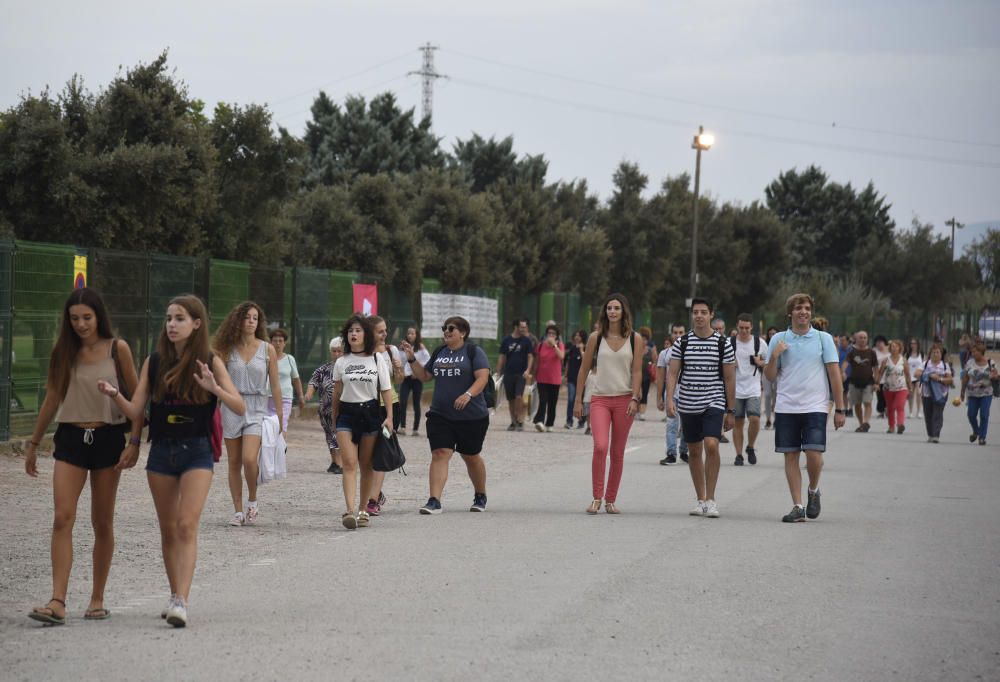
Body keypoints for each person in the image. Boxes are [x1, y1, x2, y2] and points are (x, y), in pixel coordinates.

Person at [98, 294, 245, 627]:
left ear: (196, 324)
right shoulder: (154, 360)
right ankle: (174, 592)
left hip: (197, 450)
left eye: (179, 318)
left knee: (186, 525)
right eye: (168, 318)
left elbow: (240, 406)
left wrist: (214, 388)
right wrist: (114, 394)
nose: (172, 325)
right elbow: (137, 411)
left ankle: (181, 600)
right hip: (162, 451)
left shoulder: (209, 360)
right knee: (167, 529)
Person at [24, 288, 143, 626]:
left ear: (98, 316)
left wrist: (134, 441)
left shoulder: (118, 349)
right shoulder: (63, 351)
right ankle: (57, 600)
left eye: (86, 318)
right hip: (71, 437)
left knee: (101, 521)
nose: (80, 324)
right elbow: (52, 397)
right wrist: (33, 443)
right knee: (62, 517)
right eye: (74, 318)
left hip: (108, 437)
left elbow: (137, 399)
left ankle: (97, 598)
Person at [764, 293, 846, 523]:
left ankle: (814, 489)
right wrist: (774, 356)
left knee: (814, 454)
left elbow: (834, 374)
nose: (804, 312)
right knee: (790, 455)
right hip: (786, 406)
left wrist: (840, 408)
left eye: (807, 308)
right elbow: (769, 377)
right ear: (790, 313)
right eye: (799, 308)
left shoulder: (823, 338)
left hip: (815, 406)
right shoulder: (779, 339)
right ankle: (798, 506)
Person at [402, 316, 491, 514]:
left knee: (470, 456)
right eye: (444, 328)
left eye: (451, 328)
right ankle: (434, 500)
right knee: (440, 453)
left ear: (463, 333)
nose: (447, 332)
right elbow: (425, 376)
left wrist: (468, 394)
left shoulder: (473, 352)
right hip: (440, 414)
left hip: (472, 416)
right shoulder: (440, 352)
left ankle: (480, 494)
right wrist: (411, 357)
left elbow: (482, 378)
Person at [574, 293, 644, 515]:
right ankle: (596, 497)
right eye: (609, 308)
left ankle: (610, 500)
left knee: (617, 452)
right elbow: (584, 369)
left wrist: (635, 397)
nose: (612, 312)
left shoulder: (636, 339)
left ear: (624, 312)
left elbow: (637, 371)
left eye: (616, 308)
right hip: (600, 399)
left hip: (625, 400)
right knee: (600, 446)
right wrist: (577, 400)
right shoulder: (596, 337)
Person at [214, 301, 282, 527]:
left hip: (257, 408)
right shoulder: (225, 349)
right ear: (238, 321)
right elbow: (216, 382)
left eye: (255, 318)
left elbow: (275, 386)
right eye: (247, 317)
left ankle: (253, 501)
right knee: (233, 462)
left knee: (249, 458)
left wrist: (280, 417)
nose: (251, 321)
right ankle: (237, 511)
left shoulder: (267, 349)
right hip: (231, 407)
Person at [666, 298, 735, 518]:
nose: (699, 316)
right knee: (694, 450)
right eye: (695, 312)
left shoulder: (722, 343)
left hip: (713, 400)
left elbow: (729, 378)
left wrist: (731, 410)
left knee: (712, 445)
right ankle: (701, 499)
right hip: (688, 402)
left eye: (703, 312)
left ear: (711, 315)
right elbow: (673, 373)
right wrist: (670, 399)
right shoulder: (682, 342)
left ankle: (712, 499)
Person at [329, 315, 393, 529]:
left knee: (366, 465)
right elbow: (337, 391)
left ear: (365, 334)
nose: (353, 334)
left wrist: (390, 417)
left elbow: (386, 390)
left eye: (358, 330)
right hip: (346, 415)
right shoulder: (341, 361)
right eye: (350, 331)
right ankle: (349, 510)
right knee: (349, 463)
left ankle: (364, 509)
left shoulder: (377, 360)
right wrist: (334, 416)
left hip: (370, 413)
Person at [366, 315, 404, 516]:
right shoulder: (361, 353)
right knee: (365, 455)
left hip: (389, 407)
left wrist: (398, 368)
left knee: (380, 452)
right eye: (380, 331)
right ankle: (375, 492)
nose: (384, 334)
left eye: (385, 330)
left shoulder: (391, 350)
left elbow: (398, 380)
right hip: (365, 407)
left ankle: (372, 501)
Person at [730, 313, 768, 466]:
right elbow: (720, 361)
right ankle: (739, 455)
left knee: (755, 419)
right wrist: (729, 364)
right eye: (741, 328)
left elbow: (769, 361)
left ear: (751, 327)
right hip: (735, 388)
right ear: (737, 327)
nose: (744, 331)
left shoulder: (760, 343)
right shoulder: (729, 342)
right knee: (737, 422)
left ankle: (750, 446)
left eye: (747, 328)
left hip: (753, 387)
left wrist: (761, 363)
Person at [305, 337, 344, 474]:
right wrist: (309, 393)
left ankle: (340, 463)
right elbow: (313, 381)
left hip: (343, 409)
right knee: (329, 436)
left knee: (337, 435)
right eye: (334, 351)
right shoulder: (323, 369)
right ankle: (334, 462)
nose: (337, 354)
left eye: (340, 351)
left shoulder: (348, 368)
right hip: (325, 410)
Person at [656, 322, 688, 465]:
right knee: (671, 424)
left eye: (681, 332)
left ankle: (684, 451)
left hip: (688, 393)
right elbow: (660, 377)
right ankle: (671, 453)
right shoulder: (665, 353)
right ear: (671, 334)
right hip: (671, 393)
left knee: (687, 424)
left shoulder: (690, 351)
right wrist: (659, 398)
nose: (678, 335)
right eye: (675, 332)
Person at [496, 318, 534, 431]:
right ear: (516, 327)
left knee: (519, 396)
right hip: (509, 373)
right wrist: (498, 372)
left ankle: (520, 419)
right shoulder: (506, 340)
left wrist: (528, 370)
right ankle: (513, 421)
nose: (524, 329)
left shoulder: (526, 341)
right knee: (511, 399)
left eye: (525, 327)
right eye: (521, 327)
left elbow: (530, 356)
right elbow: (502, 356)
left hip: (521, 374)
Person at [268, 328, 305, 434]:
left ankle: (280, 449)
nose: (278, 344)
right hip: (268, 397)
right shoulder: (266, 358)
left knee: (282, 425)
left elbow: (296, 379)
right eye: (275, 340)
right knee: (268, 427)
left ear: (285, 343)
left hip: (285, 398)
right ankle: (270, 449)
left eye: (280, 341)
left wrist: (301, 396)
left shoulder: (289, 359)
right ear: (270, 342)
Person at [959, 340, 996, 445]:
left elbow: (996, 375)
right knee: (971, 415)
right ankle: (976, 431)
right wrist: (962, 391)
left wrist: (994, 376)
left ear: (981, 352)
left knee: (984, 415)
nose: (973, 353)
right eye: (972, 351)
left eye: (976, 351)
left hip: (986, 394)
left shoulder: (990, 362)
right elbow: (965, 377)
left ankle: (982, 437)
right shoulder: (970, 363)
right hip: (972, 394)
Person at [532, 323, 565, 432]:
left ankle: (549, 423)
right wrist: (534, 374)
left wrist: (554, 345)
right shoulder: (541, 345)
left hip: (554, 379)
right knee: (543, 400)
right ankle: (539, 421)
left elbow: (561, 356)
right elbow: (537, 360)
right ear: (546, 335)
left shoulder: (560, 345)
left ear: (557, 336)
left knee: (552, 402)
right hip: (542, 377)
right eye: (549, 333)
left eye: (553, 333)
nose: (551, 335)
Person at [398, 327, 430, 436]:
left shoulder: (421, 348)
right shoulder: (403, 348)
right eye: (408, 333)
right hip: (406, 378)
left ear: (416, 335)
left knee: (416, 403)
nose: (410, 335)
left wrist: (418, 372)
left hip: (417, 379)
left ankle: (415, 429)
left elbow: (427, 361)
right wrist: (401, 351)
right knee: (402, 401)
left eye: (412, 333)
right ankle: (402, 427)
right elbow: (400, 361)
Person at [875, 340, 911, 434]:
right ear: (890, 348)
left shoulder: (903, 360)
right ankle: (891, 427)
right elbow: (880, 373)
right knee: (890, 408)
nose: (894, 348)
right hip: (888, 388)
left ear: (900, 348)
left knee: (900, 406)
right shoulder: (886, 360)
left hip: (901, 388)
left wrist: (910, 388)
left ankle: (900, 424)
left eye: (896, 346)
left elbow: (907, 375)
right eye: (892, 347)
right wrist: (877, 383)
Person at [919, 343, 953, 443]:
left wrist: (940, 378)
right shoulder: (925, 364)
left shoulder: (944, 366)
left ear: (941, 354)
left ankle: (936, 435)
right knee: (928, 414)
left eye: (937, 352)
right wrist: (929, 375)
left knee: (937, 414)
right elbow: (916, 373)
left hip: (941, 394)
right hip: (927, 393)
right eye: (933, 352)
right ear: (930, 354)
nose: (935, 354)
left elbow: (950, 380)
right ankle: (930, 434)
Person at [843, 331, 877, 432]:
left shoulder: (871, 352)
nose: (862, 339)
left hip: (868, 381)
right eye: (860, 337)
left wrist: (876, 382)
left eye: (864, 338)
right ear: (856, 339)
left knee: (867, 402)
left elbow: (876, 367)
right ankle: (861, 423)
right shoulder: (852, 351)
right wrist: (842, 372)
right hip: (854, 381)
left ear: (867, 339)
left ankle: (866, 422)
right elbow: (845, 363)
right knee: (857, 404)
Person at [563, 330, 585, 429]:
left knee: (582, 400)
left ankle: (581, 420)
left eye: (579, 335)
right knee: (571, 399)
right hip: (571, 377)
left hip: (582, 379)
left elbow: (586, 362)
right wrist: (565, 375)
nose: (577, 337)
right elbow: (568, 362)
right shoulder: (571, 348)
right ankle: (569, 420)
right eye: (576, 335)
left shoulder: (586, 347)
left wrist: (581, 350)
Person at [637, 326, 656, 421]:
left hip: (646, 376)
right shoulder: (635, 349)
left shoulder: (650, 350)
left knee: (644, 394)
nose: (643, 341)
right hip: (636, 376)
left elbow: (655, 361)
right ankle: (636, 410)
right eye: (642, 339)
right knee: (636, 393)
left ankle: (642, 413)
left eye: (645, 339)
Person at [762, 326, 779, 429]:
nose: (772, 335)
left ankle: (776, 419)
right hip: (766, 372)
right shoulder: (764, 345)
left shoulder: (780, 345)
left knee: (776, 396)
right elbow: (760, 359)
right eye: (770, 334)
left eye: (774, 333)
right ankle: (768, 419)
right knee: (767, 395)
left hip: (777, 373)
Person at [906, 338, 924, 419]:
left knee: (919, 393)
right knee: (910, 394)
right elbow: (905, 365)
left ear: (918, 344)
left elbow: (924, 364)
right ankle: (910, 412)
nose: (913, 345)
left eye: (915, 343)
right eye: (912, 343)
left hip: (918, 376)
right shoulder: (907, 354)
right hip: (910, 377)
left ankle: (919, 412)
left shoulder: (921, 354)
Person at [873, 335, 890, 419]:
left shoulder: (889, 351)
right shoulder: (874, 352)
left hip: (888, 377)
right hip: (878, 376)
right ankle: (881, 411)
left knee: (887, 395)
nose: (879, 344)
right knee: (879, 395)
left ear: (884, 342)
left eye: (881, 342)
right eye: (877, 342)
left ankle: (887, 409)